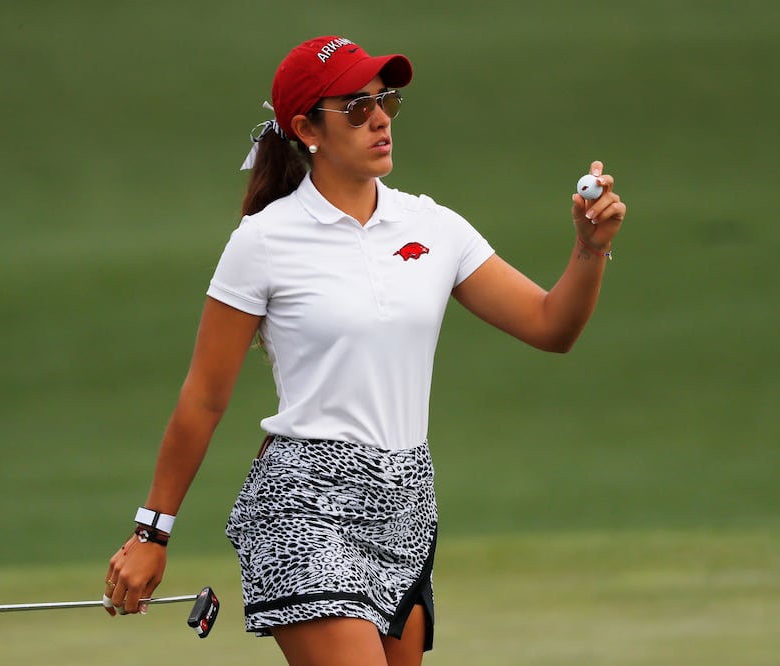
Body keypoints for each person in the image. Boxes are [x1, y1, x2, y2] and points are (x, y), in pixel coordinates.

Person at [103, 35, 626, 666]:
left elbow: (551, 326)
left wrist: (590, 248)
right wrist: (150, 532)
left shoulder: (433, 227)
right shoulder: (264, 241)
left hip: (407, 501)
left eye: (385, 102)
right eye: (355, 107)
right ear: (306, 129)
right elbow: (205, 396)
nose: (379, 118)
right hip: (304, 502)